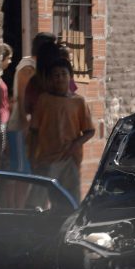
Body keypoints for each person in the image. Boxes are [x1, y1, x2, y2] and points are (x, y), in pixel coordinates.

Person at [29, 58, 94, 203]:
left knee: (70, 201)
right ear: (51, 79)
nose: (60, 78)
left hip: (69, 158)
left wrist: (75, 145)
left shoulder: (78, 102)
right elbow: (34, 130)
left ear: (70, 76)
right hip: (47, 158)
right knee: (38, 201)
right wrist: (32, 156)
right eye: (56, 75)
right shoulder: (44, 100)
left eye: (63, 74)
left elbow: (90, 131)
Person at [1, 32, 55, 208]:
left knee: (30, 171)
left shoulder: (40, 67)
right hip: (21, 127)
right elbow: (24, 102)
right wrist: (27, 128)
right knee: (21, 172)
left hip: (35, 129)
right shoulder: (27, 68)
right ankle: (15, 209)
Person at [0, 43, 12, 152]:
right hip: (2, 123)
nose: (10, 61)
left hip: (5, 121)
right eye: (9, 58)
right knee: (1, 151)